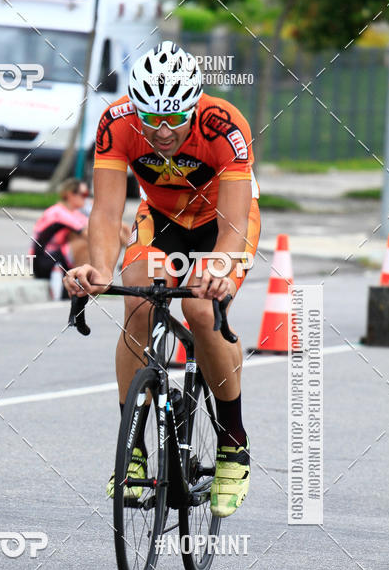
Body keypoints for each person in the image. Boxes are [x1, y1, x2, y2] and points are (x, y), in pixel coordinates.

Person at [63, 41, 260, 518]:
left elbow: (234, 224)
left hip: (222, 223)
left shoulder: (225, 125)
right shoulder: (116, 122)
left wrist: (217, 270)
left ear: (194, 108)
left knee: (199, 309)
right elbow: (108, 213)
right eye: (152, 119)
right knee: (138, 302)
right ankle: (132, 449)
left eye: (175, 119)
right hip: (162, 220)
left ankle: (233, 440)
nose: (163, 131)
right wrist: (99, 270)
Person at [30, 179, 92, 299]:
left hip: (57, 256)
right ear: (70, 194)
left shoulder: (74, 213)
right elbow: (87, 233)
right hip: (42, 260)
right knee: (85, 242)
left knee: (117, 229)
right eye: (83, 194)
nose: (86, 198)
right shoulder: (58, 212)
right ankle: (82, 281)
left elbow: (93, 228)